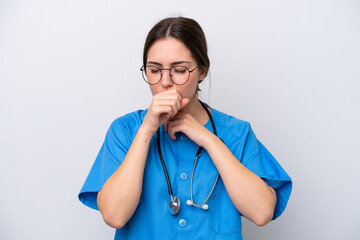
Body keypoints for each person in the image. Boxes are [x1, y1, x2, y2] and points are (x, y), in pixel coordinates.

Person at [78, 16, 292, 240]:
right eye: (154, 69)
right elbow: (114, 215)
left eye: (179, 70)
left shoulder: (236, 133)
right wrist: (146, 130)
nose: (165, 81)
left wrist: (208, 139)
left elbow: (261, 212)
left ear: (202, 71)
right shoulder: (125, 130)